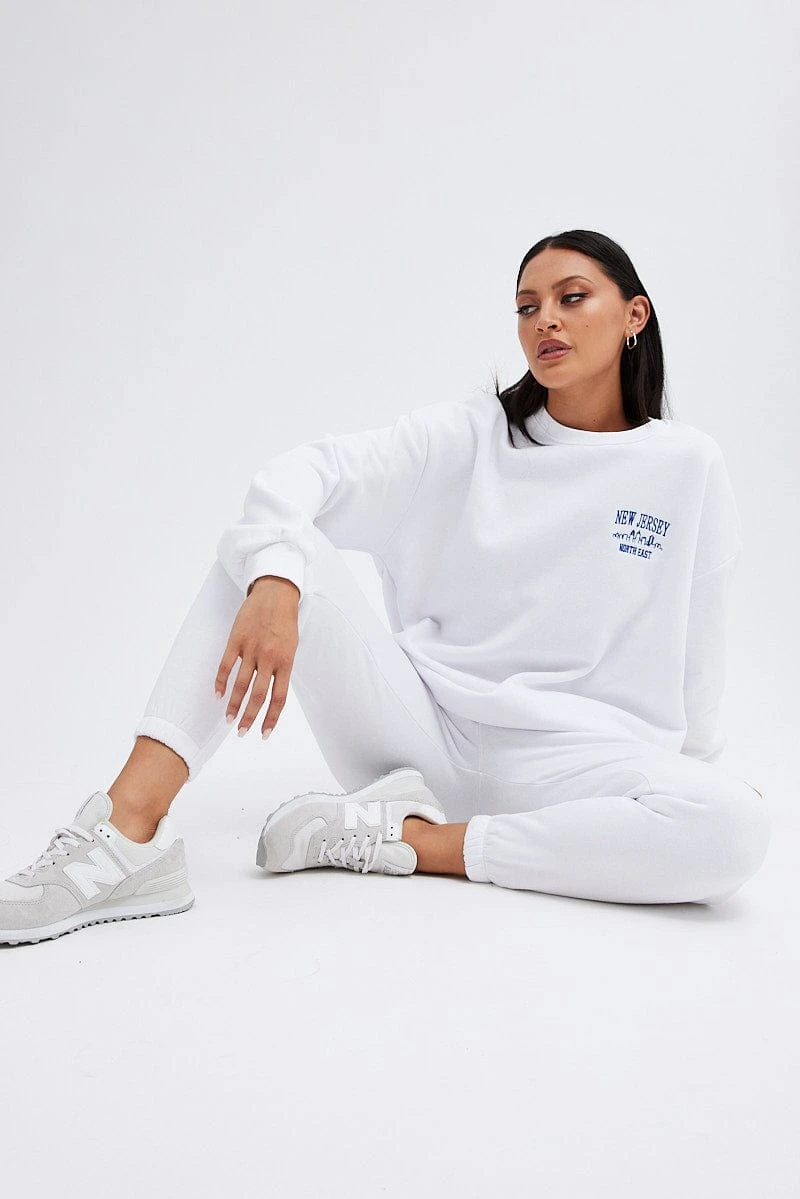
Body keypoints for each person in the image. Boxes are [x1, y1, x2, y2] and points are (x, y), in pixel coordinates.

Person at [0, 229, 771, 945]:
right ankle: (127, 833)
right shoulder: (469, 437)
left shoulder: (688, 465)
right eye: (526, 306)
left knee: (735, 825)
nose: (546, 320)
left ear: (635, 315)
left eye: (572, 298)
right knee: (272, 550)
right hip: (419, 741)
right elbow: (305, 473)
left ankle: (407, 841)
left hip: (578, 773)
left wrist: (685, 787)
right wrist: (277, 578)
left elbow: (699, 650)